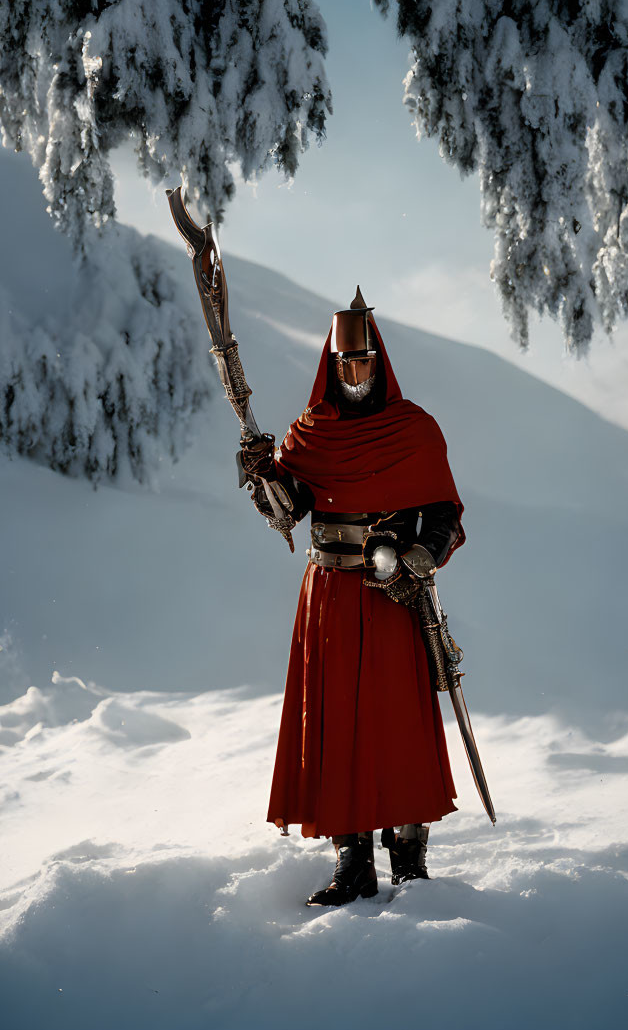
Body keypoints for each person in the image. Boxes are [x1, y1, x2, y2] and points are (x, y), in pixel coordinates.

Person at [240, 288, 465, 906]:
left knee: (397, 722)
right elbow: (290, 512)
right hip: (329, 595)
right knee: (335, 721)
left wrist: (416, 561)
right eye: (347, 365)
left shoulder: (414, 431)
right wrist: (267, 476)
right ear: (332, 367)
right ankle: (353, 864)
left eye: (364, 363)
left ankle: (410, 867)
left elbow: (442, 514)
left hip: (391, 597)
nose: (356, 374)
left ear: (380, 362)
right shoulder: (310, 435)